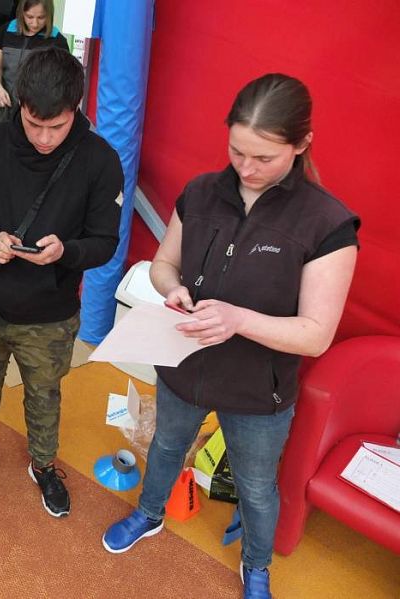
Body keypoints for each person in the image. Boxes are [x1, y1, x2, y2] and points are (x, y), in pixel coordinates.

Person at [101, 74, 359, 599]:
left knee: (258, 487)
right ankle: (149, 513)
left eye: (264, 157)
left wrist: (238, 320)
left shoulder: (327, 224)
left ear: (301, 144)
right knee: (167, 447)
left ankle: (257, 565)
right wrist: (172, 290)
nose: (246, 167)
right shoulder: (200, 192)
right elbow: (163, 264)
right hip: (184, 363)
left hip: (258, 389)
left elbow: (315, 335)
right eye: (237, 150)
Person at [0, 47, 123, 518]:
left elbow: (105, 242)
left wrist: (67, 251)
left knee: (44, 394)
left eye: (57, 126)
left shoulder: (100, 160)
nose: (44, 137)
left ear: (77, 110)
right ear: (18, 105)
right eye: (33, 123)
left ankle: (44, 465)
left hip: (51, 310)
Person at [0, 0, 69, 122]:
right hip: (6, 104)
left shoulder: (57, 40)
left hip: (37, 110)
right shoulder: (6, 31)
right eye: (29, 17)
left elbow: (63, 80)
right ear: (21, 12)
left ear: (49, 14)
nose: (35, 23)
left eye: (41, 17)